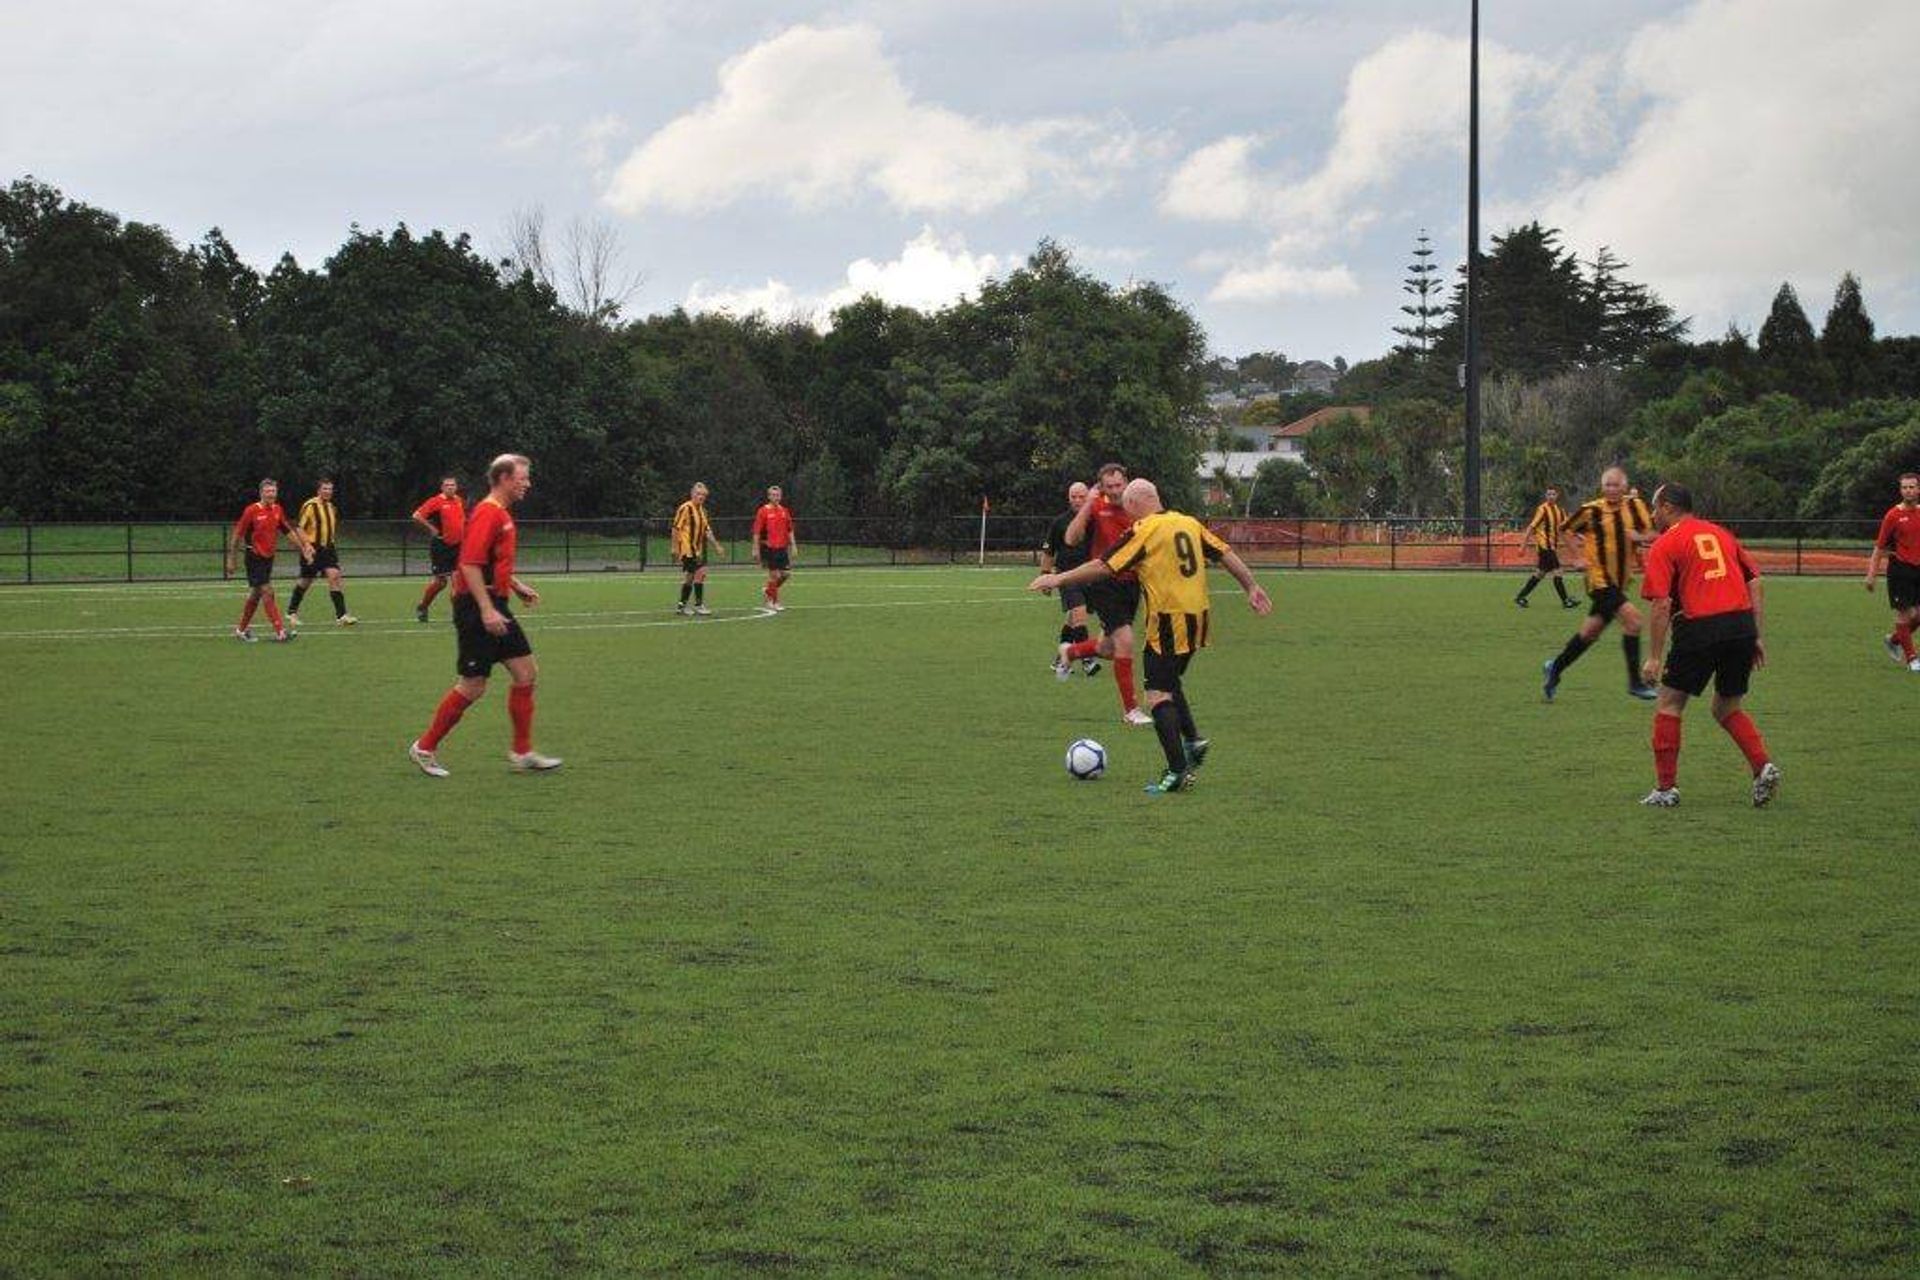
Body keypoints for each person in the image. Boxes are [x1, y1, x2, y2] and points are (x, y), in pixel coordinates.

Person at [1030, 478, 1272, 794]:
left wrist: (1058, 577)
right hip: (1199, 617)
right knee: (1169, 681)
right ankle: (1194, 741)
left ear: (1133, 505)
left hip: (1170, 620)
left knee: (1157, 694)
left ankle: (1176, 772)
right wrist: (1250, 585)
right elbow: (1225, 553)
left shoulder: (1144, 530)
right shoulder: (1188, 522)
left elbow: (1103, 566)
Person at [408, 454, 561, 776]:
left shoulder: (500, 513)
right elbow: (468, 564)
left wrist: (515, 586)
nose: (528, 484)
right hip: (477, 607)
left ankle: (522, 752)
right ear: (504, 478)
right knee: (473, 685)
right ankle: (424, 748)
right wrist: (487, 609)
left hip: (495, 602)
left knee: (526, 673)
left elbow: (488, 560)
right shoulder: (488, 513)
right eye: (523, 478)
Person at [1637, 482, 1780, 808]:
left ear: (1669, 507)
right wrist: (1755, 635)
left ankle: (1665, 789)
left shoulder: (1665, 543)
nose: (1652, 514)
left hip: (1699, 626)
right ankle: (1762, 766)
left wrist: (1654, 658)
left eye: (1655, 507)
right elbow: (1755, 581)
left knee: (1670, 703)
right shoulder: (1721, 534)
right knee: (1727, 706)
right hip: (1741, 625)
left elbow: (1661, 604)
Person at [1541, 467, 1658, 701]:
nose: (1611, 489)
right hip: (1599, 579)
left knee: (1589, 633)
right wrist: (1577, 556)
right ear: (1602, 487)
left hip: (1619, 581)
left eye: (1616, 485)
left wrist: (1639, 537)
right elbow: (1565, 529)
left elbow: (1652, 533)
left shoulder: (1635, 507)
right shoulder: (1591, 510)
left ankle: (1555, 667)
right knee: (1634, 621)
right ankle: (1635, 683)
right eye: (1607, 485)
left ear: (1624, 487)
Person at [1059, 462, 1151, 725]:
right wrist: (1088, 503)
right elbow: (1071, 538)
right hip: (1103, 582)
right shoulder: (1097, 506)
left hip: (1132, 584)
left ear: (1127, 482)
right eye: (1108, 487)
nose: (1114, 491)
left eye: (1118, 485)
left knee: (1107, 648)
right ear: (1101, 487)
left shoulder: (1138, 506)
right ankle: (1131, 711)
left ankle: (1071, 652)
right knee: (1125, 640)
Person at [225, 478, 310, 643]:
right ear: (261, 493)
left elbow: (287, 531)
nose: (271, 494)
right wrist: (231, 559)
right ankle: (281, 632)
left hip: (268, 558)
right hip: (254, 556)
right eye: (268, 491)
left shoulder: (277, 510)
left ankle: (241, 630)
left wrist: (303, 549)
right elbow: (236, 536)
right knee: (267, 591)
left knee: (256, 594)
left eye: (273, 491)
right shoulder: (251, 511)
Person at [1040, 481, 1100, 677]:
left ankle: (1061, 658)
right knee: (1079, 612)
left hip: (1089, 575)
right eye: (1073, 496)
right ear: (1068, 497)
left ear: (1087, 497)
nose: (1077, 500)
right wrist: (1045, 576)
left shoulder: (1094, 519)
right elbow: (1049, 552)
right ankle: (1087, 659)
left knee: (1072, 619)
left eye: (1081, 496)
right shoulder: (1059, 522)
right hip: (1066, 575)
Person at [1863, 472, 1920, 671]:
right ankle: (1912, 659)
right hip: (1900, 570)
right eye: (1905, 487)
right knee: (1905, 614)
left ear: (1918, 489)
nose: (1908, 490)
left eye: (1912, 487)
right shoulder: (1893, 515)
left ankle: (1895, 640)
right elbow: (1879, 547)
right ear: (1900, 490)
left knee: (1918, 615)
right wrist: (1871, 574)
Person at [287, 478, 357, 628]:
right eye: (325, 489)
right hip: (312, 547)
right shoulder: (310, 505)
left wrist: (330, 543)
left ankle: (342, 615)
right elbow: (299, 528)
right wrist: (306, 545)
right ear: (318, 490)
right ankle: (291, 611)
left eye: (330, 489)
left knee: (334, 576)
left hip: (328, 548)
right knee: (306, 580)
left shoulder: (332, 507)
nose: (328, 491)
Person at [1514, 485, 1578, 608]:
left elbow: (1567, 527)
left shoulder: (1560, 511)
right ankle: (1566, 601)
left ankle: (1520, 597)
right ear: (1545, 496)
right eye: (1548, 494)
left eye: (1553, 494)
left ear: (1557, 496)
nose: (1551, 497)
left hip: (1552, 547)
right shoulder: (1542, 510)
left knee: (1540, 573)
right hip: (1545, 547)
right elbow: (1531, 528)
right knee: (1558, 572)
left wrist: (1579, 536)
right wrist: (1523, 546)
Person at [412, 476, 466, 623]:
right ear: (442, 488)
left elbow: (460, 521)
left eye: (453, 485)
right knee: (440, 583)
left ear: (456, 487)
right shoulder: (436, 501)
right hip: (441, 546)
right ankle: (423, 606)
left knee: (457, 580)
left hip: (458, 546)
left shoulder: (459, 500)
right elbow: (417, 515)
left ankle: (458, 615)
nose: (450, 487)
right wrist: (431, 528)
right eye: (447, 485)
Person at [672, 482, 725, 616]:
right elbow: (675, 528)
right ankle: (699, 605)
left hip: (695, 549)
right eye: (698, 494)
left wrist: (717, 546)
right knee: (700, 572)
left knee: (690, 577)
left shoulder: (702, 511)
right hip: (686, 548)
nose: (701, 497)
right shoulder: (685, 508)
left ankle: (681, 606)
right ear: (692, 494)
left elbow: (707, 531)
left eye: (703, 495)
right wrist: (674, 548)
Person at [750, 485, 797, 612]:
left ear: (781, 497)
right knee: (774, 575)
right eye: (773, 495)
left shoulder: (784, 511)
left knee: (786, 574)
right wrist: (755, 549)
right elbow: (756, 532)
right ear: (769, 496)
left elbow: (790, 530)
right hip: (768, 547)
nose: (776, 497)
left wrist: (793, 545)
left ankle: (768, 591)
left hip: (782, 548)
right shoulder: (763, 511)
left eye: (778, 495)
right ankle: (773, 602)